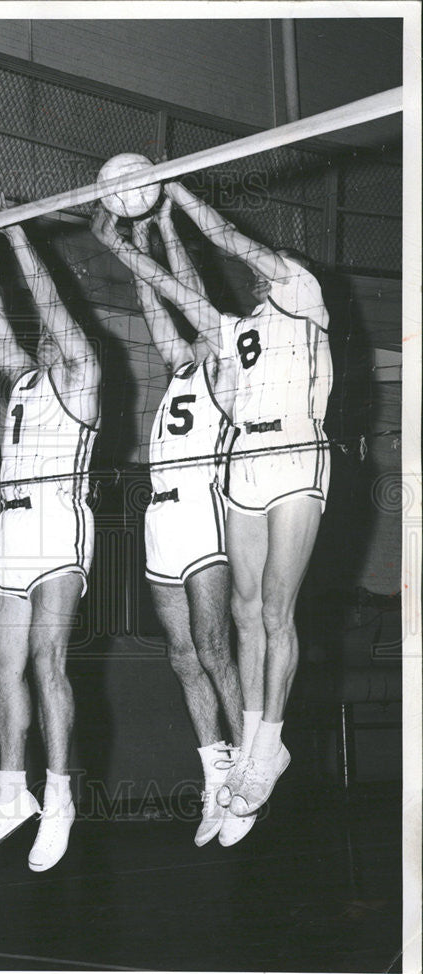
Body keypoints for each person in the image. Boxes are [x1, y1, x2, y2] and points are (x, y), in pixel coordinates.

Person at [92, 177, 331, 821]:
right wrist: (121, 249)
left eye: (270, 266)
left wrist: (172, 192)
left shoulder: (303, 298)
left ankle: (269, 743)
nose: (261, 273)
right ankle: (253, 741)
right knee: (247, 609)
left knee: (276, 610)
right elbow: (174, 293)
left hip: (295, 453)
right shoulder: (233, 331)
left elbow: (226, 240)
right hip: (244, 465)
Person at [0, 182, 100, 872]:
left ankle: (60, 797)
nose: (48, 333)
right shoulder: (24, 378)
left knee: (47, 663)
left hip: (59, 525)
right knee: (0, 667)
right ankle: (12, 794)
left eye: (56, 329)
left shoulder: (85, 376)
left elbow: (51, 305)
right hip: (7, 530)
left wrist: (13, 228)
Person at [94, 197, 250, 847]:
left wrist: (158, 234)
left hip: (204, 511)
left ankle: (249, 775)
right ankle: (214, 778)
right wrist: (137, 242)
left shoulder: (225, 359)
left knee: (214, 647)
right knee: (182, 656)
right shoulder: (183, 365)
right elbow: (155, 305)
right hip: (159, 518)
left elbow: (185, 295)